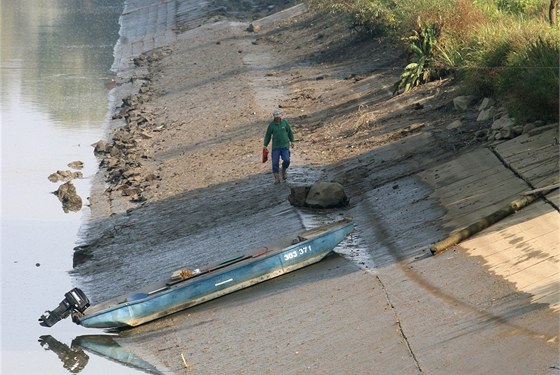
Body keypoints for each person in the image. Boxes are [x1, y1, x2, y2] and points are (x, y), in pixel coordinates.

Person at [263, 109, 295, 184]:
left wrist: (292, 141)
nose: (277, 117)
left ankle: (283, 170)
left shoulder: (285, 122)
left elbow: (289, 132)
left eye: (278, 116)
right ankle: (277, 178)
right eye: (276, 116)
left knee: (287, 160)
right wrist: (265, 145)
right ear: (273, 117)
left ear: (280, 116)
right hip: (276, 147)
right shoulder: (271, 125)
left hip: (285, 145)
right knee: (275, 163)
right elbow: (268, 135)